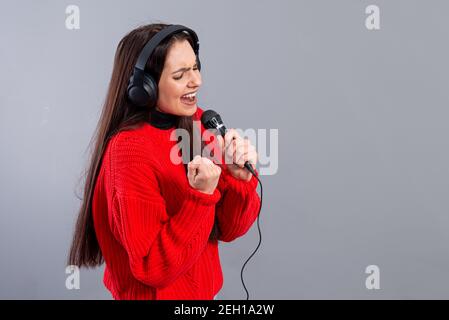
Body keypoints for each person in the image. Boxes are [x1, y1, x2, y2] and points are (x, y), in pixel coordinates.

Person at [68, 23, 261, 300]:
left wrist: (239, 181)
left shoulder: (198, 125)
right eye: (180, 75)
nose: (196, 81)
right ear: (143, 87)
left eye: (195, 68)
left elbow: (230, 229)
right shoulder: (129, 151)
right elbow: (152, 268)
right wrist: (201, 196)